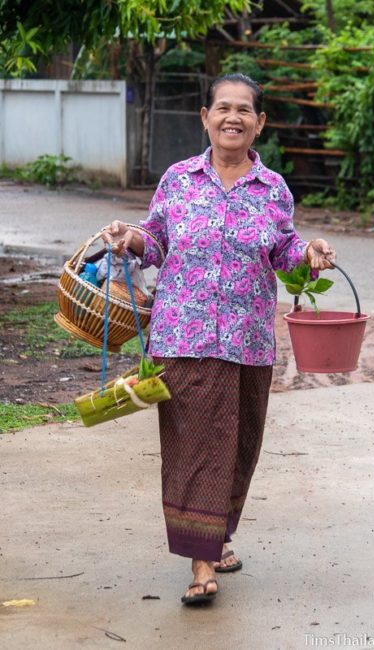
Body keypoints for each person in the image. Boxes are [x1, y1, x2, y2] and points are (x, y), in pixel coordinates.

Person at [103, 73, 335, 605]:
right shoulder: (179, 178)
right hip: (182, 337)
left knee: (240, 447)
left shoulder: (272, 188)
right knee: (193, 448)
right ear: (205, 117)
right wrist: (130, 236)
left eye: (244, 110)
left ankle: (217, 535)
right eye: (222, 108)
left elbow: (284, 249)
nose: (233, 117)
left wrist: (309, 251)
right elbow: (155, 239)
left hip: (247, 339)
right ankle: (200, 562)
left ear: (260, 123)